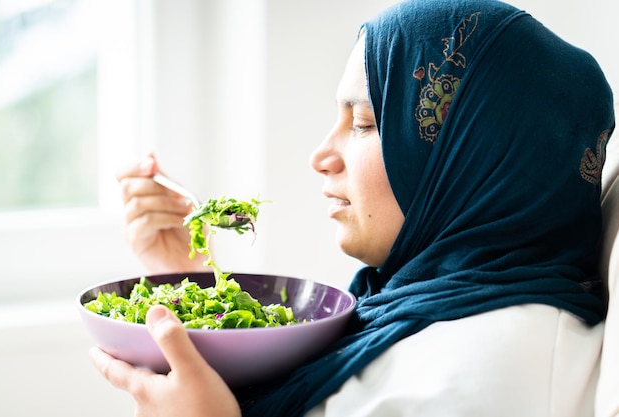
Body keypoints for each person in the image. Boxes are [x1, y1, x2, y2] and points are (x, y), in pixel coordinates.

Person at [90, 0, 616, 416]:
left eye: (363, 122)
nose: (320, 155)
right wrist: (190, 281)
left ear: (473, 154)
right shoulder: (413, 306)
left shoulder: (478, 374)